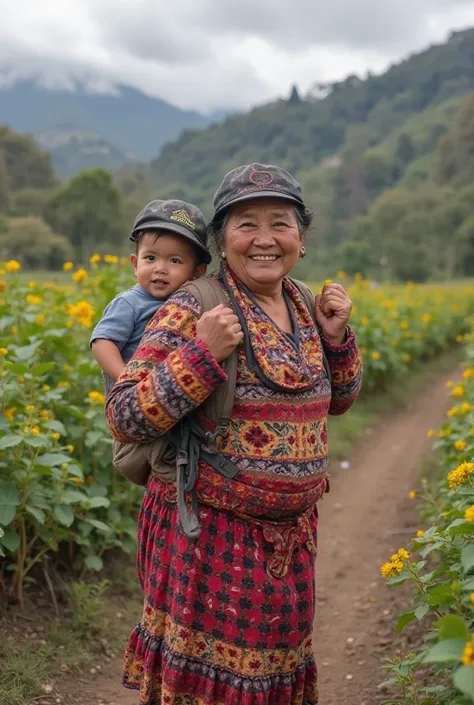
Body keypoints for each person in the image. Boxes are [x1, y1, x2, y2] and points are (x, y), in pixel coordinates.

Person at [106, 163, 363, 705]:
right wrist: (201, 354)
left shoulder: (303, 302)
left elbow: (337, 402)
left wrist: (336, 338)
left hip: (292, 542)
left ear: (302, 238)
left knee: (272, 680)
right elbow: (125, 413)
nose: (265, 239)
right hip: (208, 539)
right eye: (247, 224)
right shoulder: (195, 305)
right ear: (223, 241)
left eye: (281, 223)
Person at [90, 199, 211, 395]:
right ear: (135, 264)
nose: (160, 269)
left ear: (197, 272)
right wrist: (126, 380)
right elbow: (102, 342)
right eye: (151, 258)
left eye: (175, 260)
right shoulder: (130, 303)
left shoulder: (192, 305)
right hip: (135, 401)